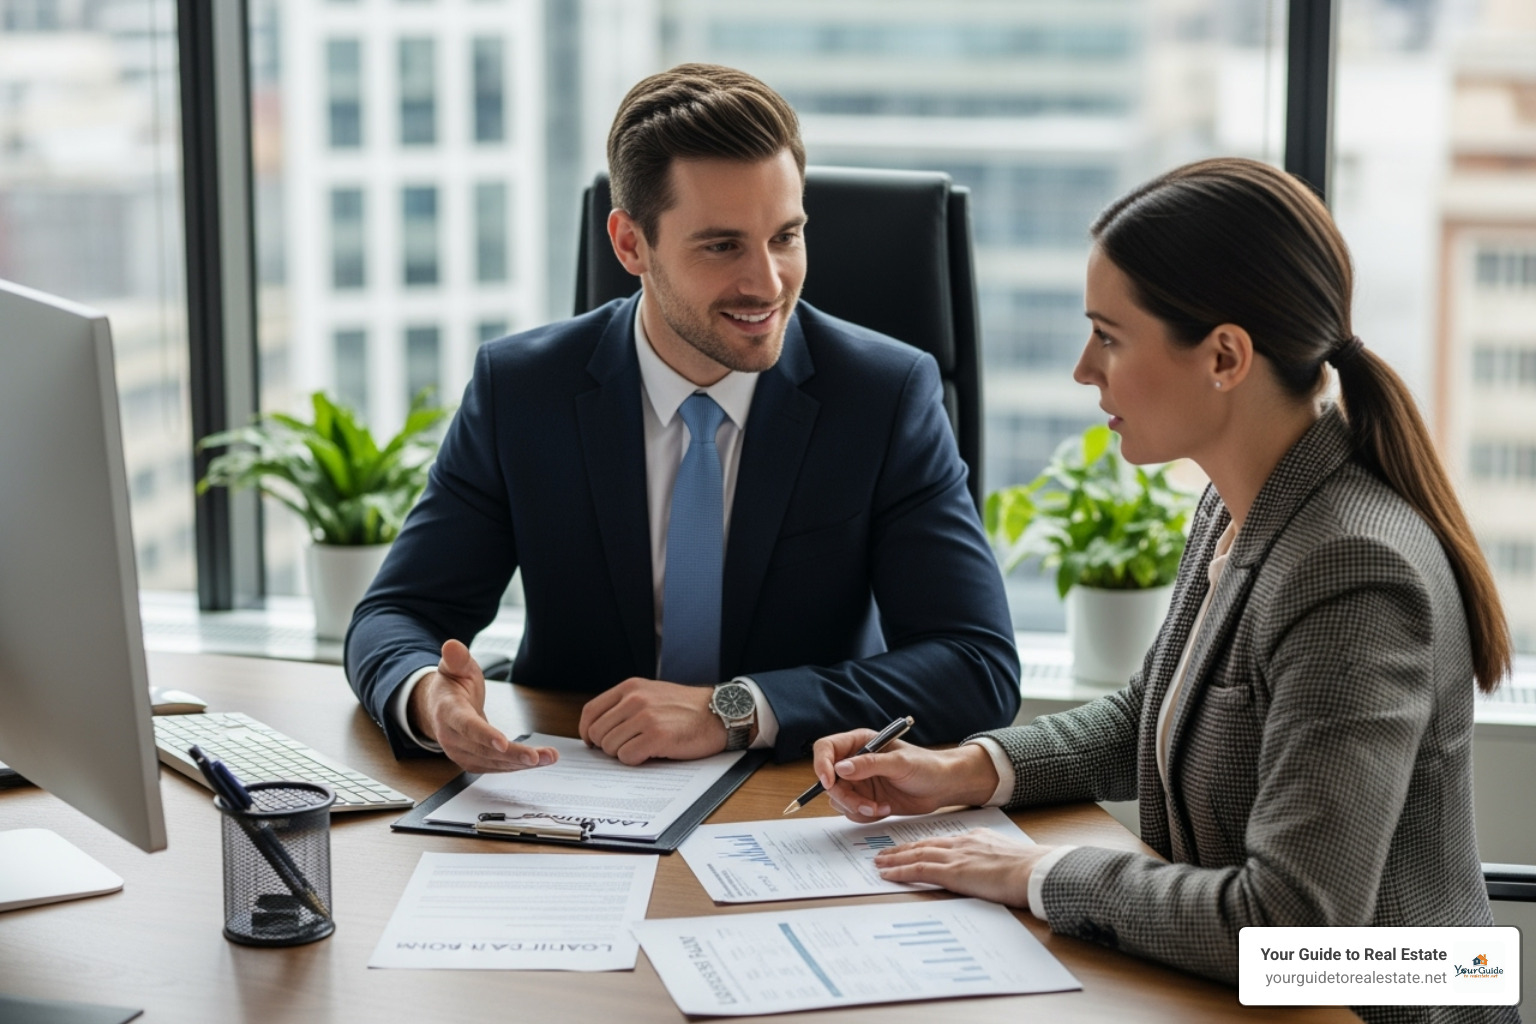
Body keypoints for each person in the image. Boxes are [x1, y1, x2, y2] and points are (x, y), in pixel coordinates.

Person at [811, 158, 1515, 1024]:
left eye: (1108, 336)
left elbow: (1293, 931)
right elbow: (1153, 709)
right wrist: (964, 769)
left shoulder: (1354, 573)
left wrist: (1037, 874)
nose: (1082, 369)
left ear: (1224, 356)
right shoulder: (1237, 500)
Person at [344, 63, 1020, 772]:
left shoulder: (884, 396)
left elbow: (977, 666)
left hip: (792, 802)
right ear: (631, 243)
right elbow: (397, 615)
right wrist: (431, 699)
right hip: (578, 792)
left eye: (786, 236)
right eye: (722, 245)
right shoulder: (522, 389)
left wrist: (732, 710)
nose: (767, 283)